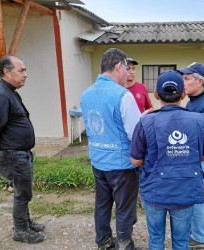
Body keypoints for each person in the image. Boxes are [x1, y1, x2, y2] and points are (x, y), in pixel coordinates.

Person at [131, 70, 204, 250]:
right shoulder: (199, 121)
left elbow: (136, 161)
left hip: (154, 191)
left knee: (156, 240)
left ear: (156, 95)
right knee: (182, 242)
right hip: (185, 192)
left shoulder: (145, 122)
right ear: (183, 94)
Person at [80, 48, 141, 250]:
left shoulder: (86, 94)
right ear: (118, 67)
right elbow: (135, 134)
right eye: (126, 69)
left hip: (98, 160)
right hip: (122, 165)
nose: (128, 74)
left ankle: (103, 242)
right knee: (124, 207)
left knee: (102, 204)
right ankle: (125, 244)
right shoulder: (123, 95)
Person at [0, 55, 45, 244]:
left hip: (17, 153)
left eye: (25, 70)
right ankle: (20, 230)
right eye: (21, 70)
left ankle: (25, 223)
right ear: (7, 72)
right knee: (22, 193)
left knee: (23, 191)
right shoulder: (1, 94)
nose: (26, 75)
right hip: (12, 154)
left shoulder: (8, 91)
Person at [178, 62, 204, 249]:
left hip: (198, 161)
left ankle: (200, 238)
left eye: (187, 79)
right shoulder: (194, 102)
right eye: (183, 79)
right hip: (192, 160)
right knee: (192, 199)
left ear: (200, 81)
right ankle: (196, 234)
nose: (183, 82)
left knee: (195, 200)